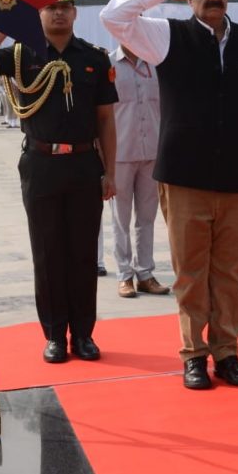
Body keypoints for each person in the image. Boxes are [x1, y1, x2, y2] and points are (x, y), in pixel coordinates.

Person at [100, 0, 238, 391]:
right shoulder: (167, 36)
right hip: (184, 175)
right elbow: (113, 16)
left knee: (230, 271)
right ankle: (193, 355)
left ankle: (227, 351)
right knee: (191, 271)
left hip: (235, 175)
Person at [0, 0, 117, 365]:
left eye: (65, 6)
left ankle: (83, 334)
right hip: (41, 164)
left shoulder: (94, 58)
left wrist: (110, 171)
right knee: (48, 253)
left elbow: (105, 120)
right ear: (39, 12)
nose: (59, 13)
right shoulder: (22, 55)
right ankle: (54, 334)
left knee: (83, 253)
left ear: (75, 11)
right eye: (51, 7)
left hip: (85, 162)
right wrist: (6, 23)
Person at [108, 43, 170, 298]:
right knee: (120, 219)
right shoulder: (108, 65)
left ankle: (145, 273)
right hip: (120, 153)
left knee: (147, 218)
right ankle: (125, 275)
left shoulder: (157, 64)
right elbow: (101, 112)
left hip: (152, 152)